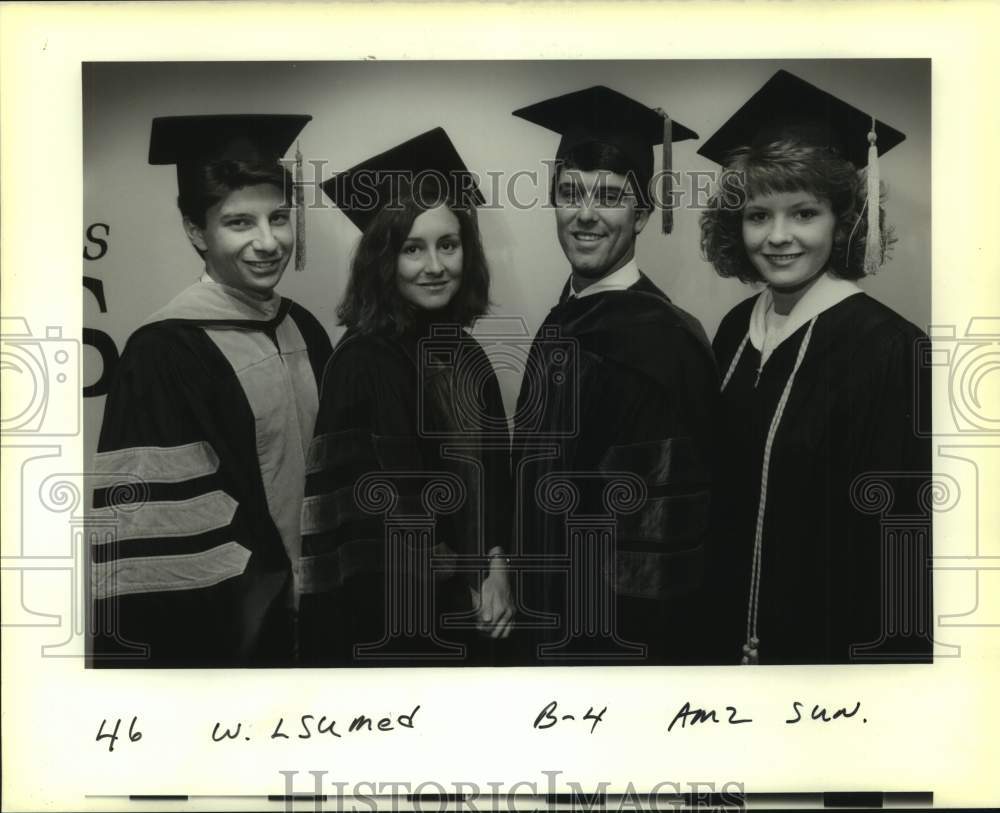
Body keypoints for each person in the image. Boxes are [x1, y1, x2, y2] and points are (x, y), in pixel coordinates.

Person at [698, 70, 933, 665]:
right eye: (758, 216)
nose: (778, 237)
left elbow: (900, 549)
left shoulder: (890, 349)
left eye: (803, 213)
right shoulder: (734, 331)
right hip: (720, 638)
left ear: (843, 220)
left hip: (831, 650)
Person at [90, 114, 332, 667]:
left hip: (318, 616)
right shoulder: (164, 354)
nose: (268, 242)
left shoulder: (306, 329)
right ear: (196, 230)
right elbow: (158, 541)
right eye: (239, 222)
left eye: (278, 218)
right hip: (232, 636)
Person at [509, 86, 719, 665]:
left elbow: (656, 546)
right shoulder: (562, 320)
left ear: (644, 213)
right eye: (570, 193)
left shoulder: (662, 344)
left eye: (609, 196)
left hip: (609, 640)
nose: (585, 214)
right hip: (543, 612)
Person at [299, 128, 513, 666]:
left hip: (472, 612)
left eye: (448, 244)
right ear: (382, 259)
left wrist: (497, 568)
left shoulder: (465, 354)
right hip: (398, 632)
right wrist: (461, 591)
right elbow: (375, 530)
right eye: (412, 249)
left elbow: (493, 479)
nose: (435, 266)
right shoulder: (363, 363)